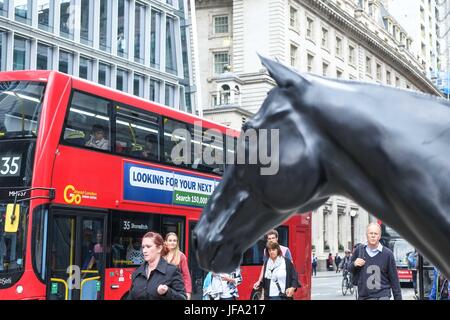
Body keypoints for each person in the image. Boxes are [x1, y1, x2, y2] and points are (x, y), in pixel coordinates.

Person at [348, 223, 402, 300]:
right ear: (367, 235)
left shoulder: (388, 254)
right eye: (371, 233)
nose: (373, 236)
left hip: (383, 295)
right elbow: (349, 269)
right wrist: (354, 264)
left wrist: (398, 298)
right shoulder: (359, 250)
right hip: (364, 296)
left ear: (379, 236)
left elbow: (394, 279)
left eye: (376, 234)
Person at [128, 231, 186, 300]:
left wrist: (167, 292)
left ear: (159, 248)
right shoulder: (137, 272)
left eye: (148, 247)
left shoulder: (172, 271)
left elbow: (182, 298)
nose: (144, 251)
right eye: (143, 247)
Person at [162, 232, 192, 300]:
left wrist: (188, 292)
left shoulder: (181, 256)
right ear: (166, 242)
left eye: (174, 240)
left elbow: (186, 275)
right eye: (170, 240)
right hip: (164, 289)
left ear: (177, 242)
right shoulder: (161, 255)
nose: (172, 242)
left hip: (177, 289)